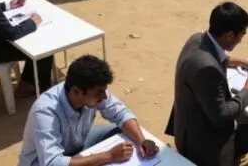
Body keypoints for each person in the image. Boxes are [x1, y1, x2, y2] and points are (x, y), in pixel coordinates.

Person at [165, 2, 248, 166]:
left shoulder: (197, 39)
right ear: (230, 35)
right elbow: (222, 117)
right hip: (206, 145)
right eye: (241, 35)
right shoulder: (207, 69)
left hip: (188, 130)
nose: (241, 40)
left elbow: (215, 55)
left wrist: (243, 62)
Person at [18, 55, 158, 166]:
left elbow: (120, 113)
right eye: (99, 93)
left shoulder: (92, 89)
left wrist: (141, 141)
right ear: (76, 91)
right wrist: (108, 156)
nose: (104, 97)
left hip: (77, 145)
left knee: (122, 131)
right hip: (43, 162)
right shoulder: (45, 112)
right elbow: (52, 163)